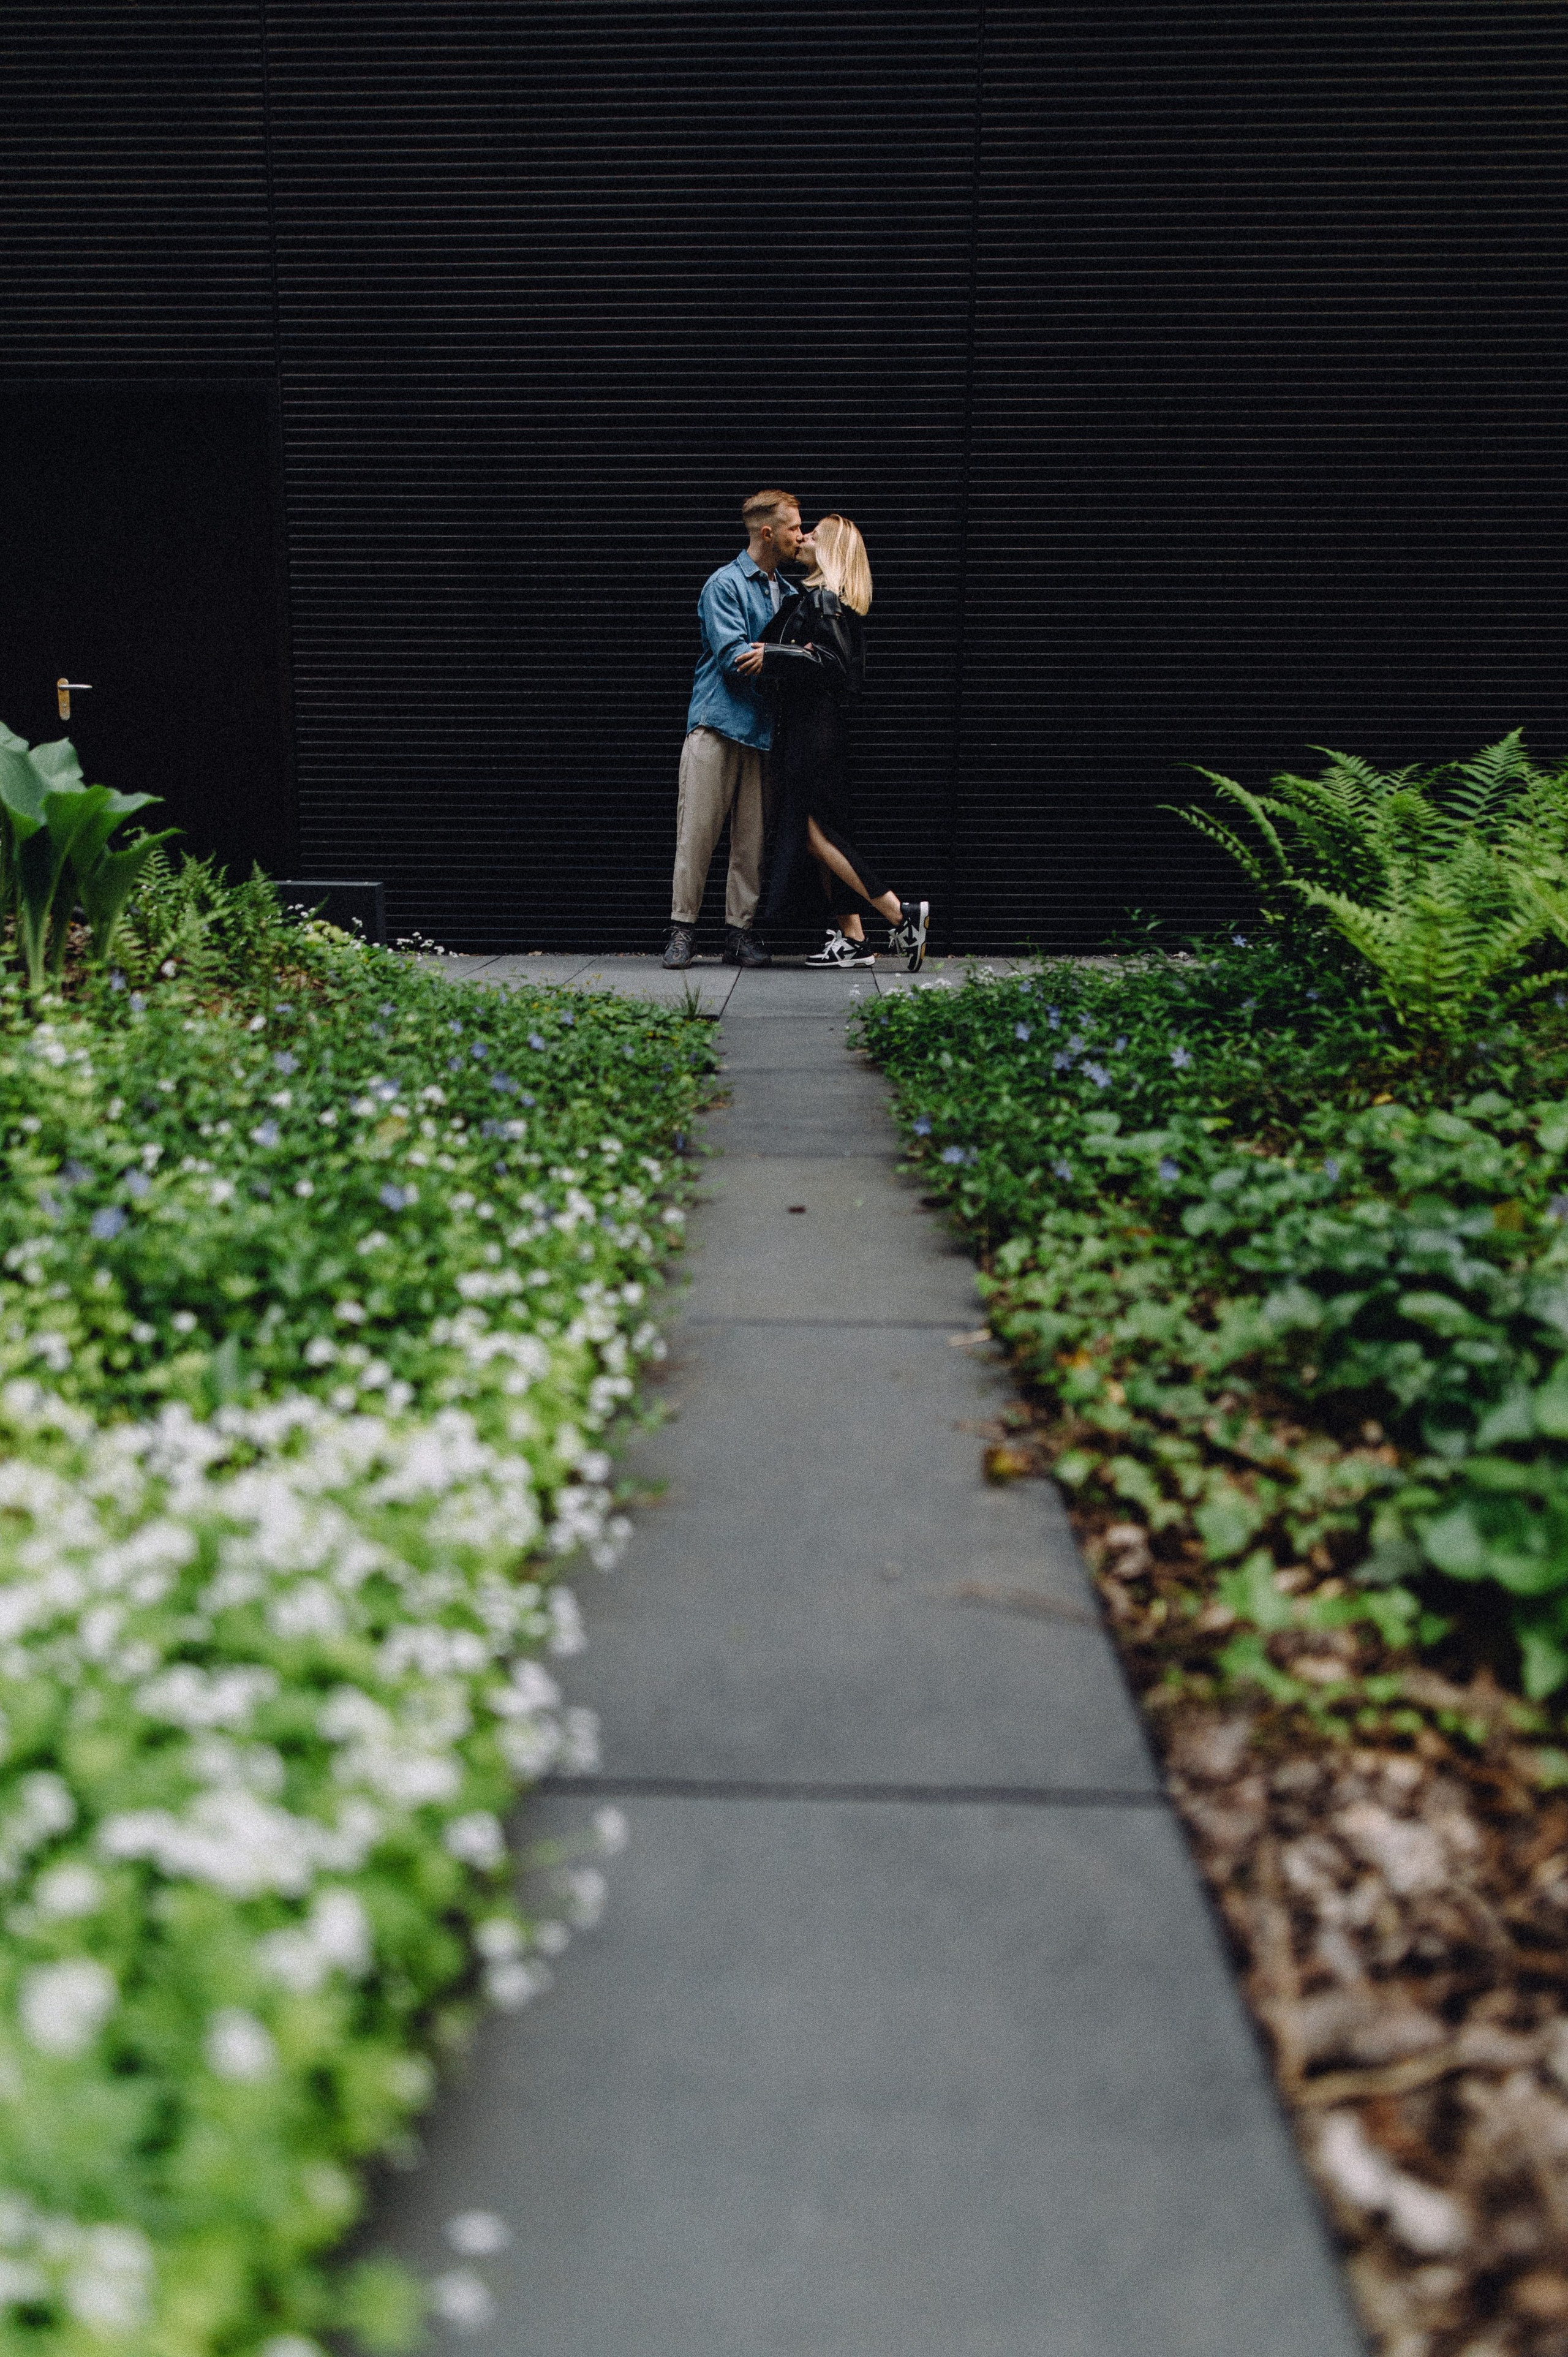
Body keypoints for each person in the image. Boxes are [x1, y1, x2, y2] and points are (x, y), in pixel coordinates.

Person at [748, 514, 930, 972]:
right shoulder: (826, 599)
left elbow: (834, 664)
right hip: (818, 728)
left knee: (818, 834)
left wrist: (775, 655)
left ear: (829, 550)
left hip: (814, 730)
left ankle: (900, 914)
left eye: (813, 536)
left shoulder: (825, 598)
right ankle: (853, 938)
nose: (804, 538)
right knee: (820, 833)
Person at [662, 489, 805, 971]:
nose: (800, 536)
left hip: (763, 735)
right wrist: (792, 656)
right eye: (793, 528)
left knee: (751, 843)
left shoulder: (789, 591)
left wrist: (783, 657)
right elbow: (733, 659)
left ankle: (738, 935)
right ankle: (682, 932)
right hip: (717, 727)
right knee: (696, 836)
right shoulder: (723, 585)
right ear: (768, 532)